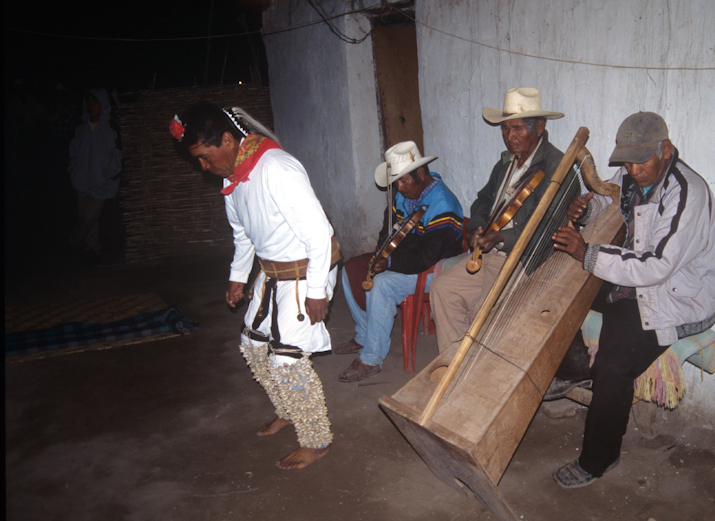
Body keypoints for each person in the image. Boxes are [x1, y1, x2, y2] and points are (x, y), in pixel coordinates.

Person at [548, 111, 715, 489]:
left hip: (674, 296)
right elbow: (608, 198)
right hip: (631, 280)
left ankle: (599, 459)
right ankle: (574, 367)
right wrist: (586, 207)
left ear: (666, 148)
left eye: (641, 160)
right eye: (626, 160)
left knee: (613, 366)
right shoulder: (631, 174)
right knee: (557, 291)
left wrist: (589, 254)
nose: (633, 169)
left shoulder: (687, 192)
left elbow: (656, 266)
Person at [171, 102, 339, 470]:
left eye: (203, 157)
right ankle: (289, 411)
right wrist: (237, 277)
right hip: (272, 271)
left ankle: (317, 440)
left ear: (227, 140)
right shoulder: (232, 177)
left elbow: (318, 234)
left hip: (307, 269)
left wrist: (316, 291)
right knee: (255, 346)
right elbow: (243, 235)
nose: (203, 166)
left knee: (288, 361)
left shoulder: (277, 168)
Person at [430, 87, 571, 352]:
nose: (510, 137)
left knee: (486, 311)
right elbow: (483, 200)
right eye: (505, 130)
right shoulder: (506, 162)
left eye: (518, 129)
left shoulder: (557, 166)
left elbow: (551, 226)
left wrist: (503, 238)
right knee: (442, 289)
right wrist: (476, 226)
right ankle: (452, 367)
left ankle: (477, 372)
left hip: (525, 259)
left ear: (539, 127)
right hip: (489, 253)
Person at [336, 141, 464, 382]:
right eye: (396, 182)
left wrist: (391, 263)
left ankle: (371, 359)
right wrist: (383, 251)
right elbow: (389, 231)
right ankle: (364, 334)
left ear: (421, 173)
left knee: (382, 284)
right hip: (407, 258)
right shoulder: (402, 195)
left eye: (404, 180)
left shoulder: (443, 204)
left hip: (436, 268)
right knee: (351, 268)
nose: (400, 187)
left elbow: (428, 256)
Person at [68, 88, 123, 257]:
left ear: (103, 104)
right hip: (82, 183)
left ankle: (75, 244)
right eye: (89, 103)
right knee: (91, 219)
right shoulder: (80, 129)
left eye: (95, 102)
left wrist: (108, 173)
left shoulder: (110, 127)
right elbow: (73, 153)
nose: (91, 106)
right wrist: (74, 172)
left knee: (86, 218)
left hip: (102, 184)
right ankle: (92, 249)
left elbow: (118, 153)